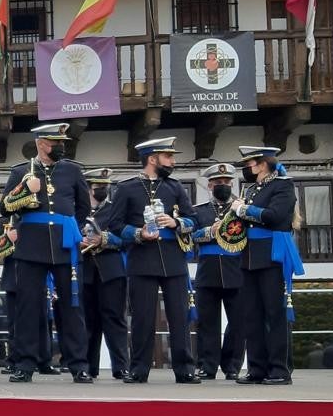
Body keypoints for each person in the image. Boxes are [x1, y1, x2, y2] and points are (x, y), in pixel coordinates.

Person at [0, 123, 93, 384]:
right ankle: (25, 364)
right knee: (28, 307)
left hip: (65, 244)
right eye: (55, 143)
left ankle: (78, 365)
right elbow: (5, 207)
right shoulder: (20, 171)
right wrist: (26, 190)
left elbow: (82, 208)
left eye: (62, 142)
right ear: (41, 143)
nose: (61, 147)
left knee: (72, 306)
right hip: (31, 245)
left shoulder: (73, 170)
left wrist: (68, 228)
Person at [111, 137, 200, 384]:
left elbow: (194, 219)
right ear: (152, 159)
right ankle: (139, 368)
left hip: (173, 260)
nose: (172, 161)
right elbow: (116, 225)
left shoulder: (175, 187)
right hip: (142, 260)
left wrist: (177, 222)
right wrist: (138, 233)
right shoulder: (127, 188)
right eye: (168, 157)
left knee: (180, 317)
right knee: (142, 317)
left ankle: (185, 369)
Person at [232, 145, 301, 386]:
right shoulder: (252, 189)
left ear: (262, 164)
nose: (246, 170)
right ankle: (257, 368)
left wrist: (244, 209)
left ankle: (280, 370)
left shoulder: (283, 185)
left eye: (249, 165)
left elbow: (275, 216)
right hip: (249, 256)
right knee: (252, 315)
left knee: (274, 314)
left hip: (272, 255)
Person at [191, 163, 245, 380]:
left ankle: (232, 365)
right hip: (208, 270)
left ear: (231, 184)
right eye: (218, 183)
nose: (222, 186)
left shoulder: (241, 209)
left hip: (237, 269)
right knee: (207, 322)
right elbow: (192, 236)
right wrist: (210, 231)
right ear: (209, 185)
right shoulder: (199, 210)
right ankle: (207, 365)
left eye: (226, 182)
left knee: (239, 322)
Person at [80, 167, 129, 380]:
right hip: (85, 271)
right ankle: (88, 367)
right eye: (99, 187)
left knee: (114, 319)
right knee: (88, 321)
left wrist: (104, 239)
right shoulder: (78, 211)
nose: (103, 190)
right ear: (89, 188)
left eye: (106, 187)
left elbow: (126, 238)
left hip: (111, 271)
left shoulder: (115, 210)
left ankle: (121, 366)